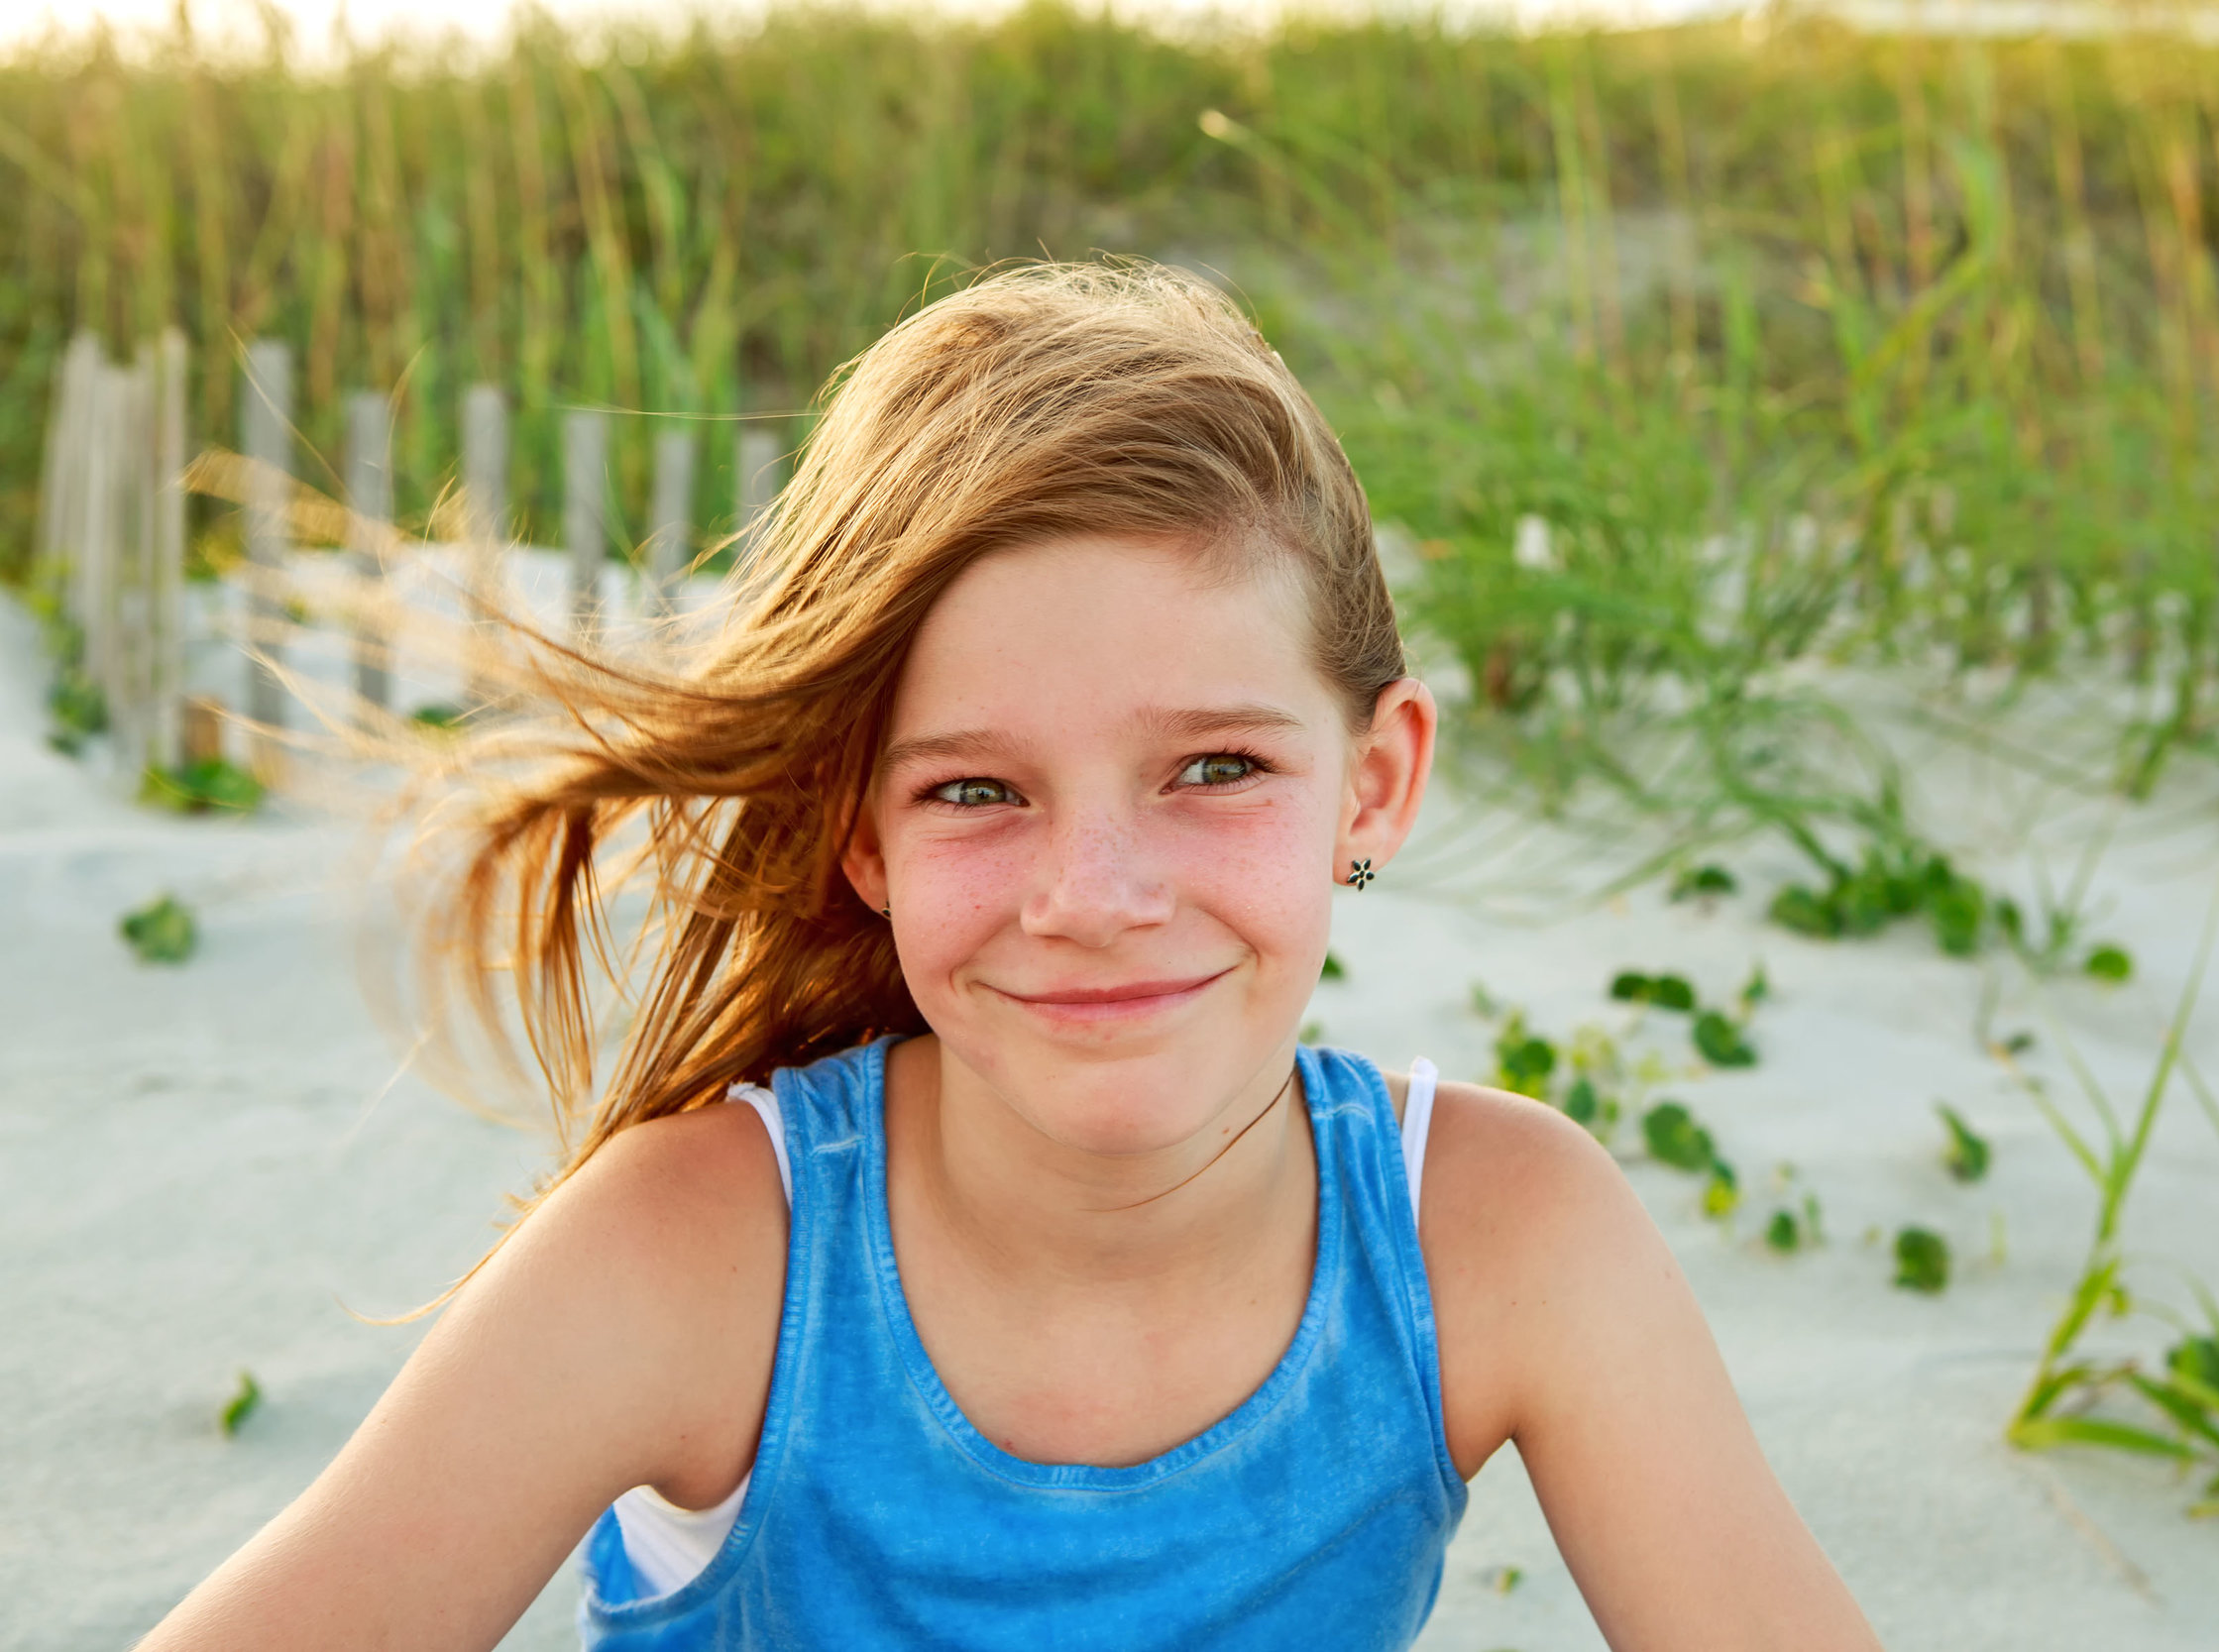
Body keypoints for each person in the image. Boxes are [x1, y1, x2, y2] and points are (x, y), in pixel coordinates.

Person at [140, 263, 1880, 1652]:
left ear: (1378, 778)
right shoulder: (701, 1266)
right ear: (863, 833)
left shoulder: (1494, 1241)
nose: (1096, 893)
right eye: (978, 789)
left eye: (1217, 769)